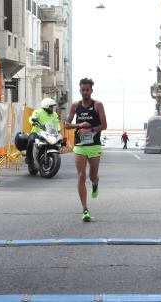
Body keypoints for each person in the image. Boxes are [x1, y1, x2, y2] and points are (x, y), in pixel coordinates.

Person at [65, 78, 107, 222]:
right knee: (81, 175)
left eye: (87, 90)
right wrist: (79, 125)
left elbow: (104, 125)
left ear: (91, 90)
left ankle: (95, 184)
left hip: (94, 146)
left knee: (92, 176)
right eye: (83, 90)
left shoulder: (98, 105)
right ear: (80, 90)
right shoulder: (76, 106)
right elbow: (66, 125)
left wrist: (90, 129)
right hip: (80, 147)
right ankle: (85, 209)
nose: (85, 92)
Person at [26, 97, 61, 165]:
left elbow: (57, 123)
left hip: (49, 134)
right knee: (31, 140)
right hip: (37, 132)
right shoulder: (38, 112)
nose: (52, 108)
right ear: (46, 106)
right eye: (51, 107)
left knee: (58, 141)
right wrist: (33, 121)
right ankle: (28, 157)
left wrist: (59, 131)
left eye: (52, 107)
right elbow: (32, 118)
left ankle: (52, 155)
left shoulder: (54, 114)